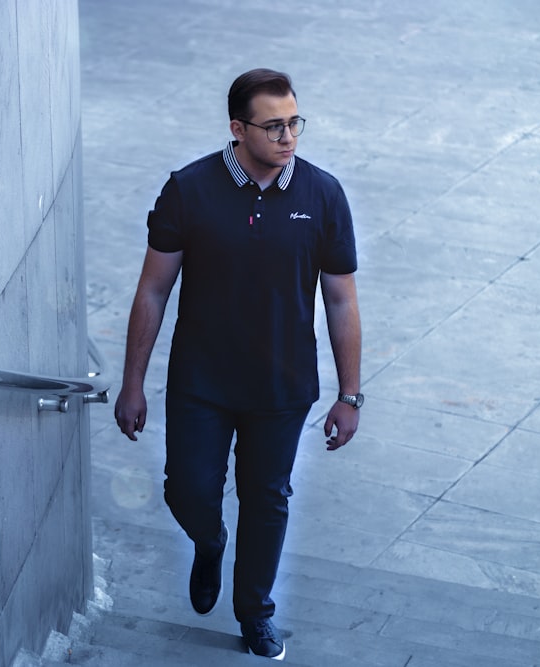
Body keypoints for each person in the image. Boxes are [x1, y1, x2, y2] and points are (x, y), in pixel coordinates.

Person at [113, 68, 362, 661]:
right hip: (201, 381)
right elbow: (153, 290)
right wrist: (132, 384)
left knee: (267, 497)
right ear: (237, 129)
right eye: (273, 126)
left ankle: (256, 613)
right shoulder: (189, 190)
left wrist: (349, 394)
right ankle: (208, 540)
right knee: (189, 490)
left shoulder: (323, 195)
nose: (288, 137)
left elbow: (341, 298)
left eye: (294, 122)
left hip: (282, 385)